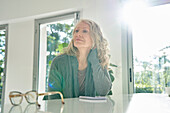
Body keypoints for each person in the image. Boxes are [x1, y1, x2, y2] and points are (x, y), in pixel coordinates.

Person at [46, 19, 112, 99]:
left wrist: (94, 60)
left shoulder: (99, 60)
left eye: (84, 31)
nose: (78, 34)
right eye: (76, 31)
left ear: (95, 37)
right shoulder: (59, 62)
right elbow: (53, 97)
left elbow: (103, 91)